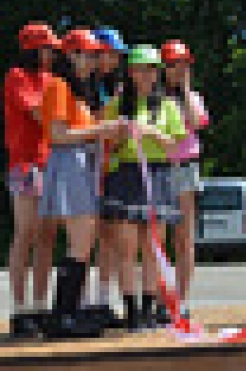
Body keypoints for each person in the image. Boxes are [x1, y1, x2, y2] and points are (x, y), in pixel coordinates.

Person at [37, 28, 126, 338]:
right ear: (70, 55)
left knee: (83, 242)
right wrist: (102, 129)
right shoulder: (59, 86)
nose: (92, 61)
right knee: (79, 241)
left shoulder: (77, 89)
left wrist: (107, 130)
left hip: (81, 163)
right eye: (86, 55)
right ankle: (63, 316)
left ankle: (68, 312)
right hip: (69, 162)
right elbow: (58, 135)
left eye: (93, 55)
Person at [101, 45, 186, 332]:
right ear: (131, 72)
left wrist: (152, 133)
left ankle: (149, 311)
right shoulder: (116, 104)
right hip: (126, 174)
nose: (146, 75)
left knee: (153, 249)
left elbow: (178, 147)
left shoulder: (168, 105)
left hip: (159, 174)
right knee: (126, 250)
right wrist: (120, 136)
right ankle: (131, 313)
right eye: (140, 69)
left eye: (151, 69)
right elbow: (106, 144)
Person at [4, 23, 60, 338]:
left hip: (50, 164)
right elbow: (42, 115)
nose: (50, 54)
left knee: (47, 237)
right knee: (25, 233)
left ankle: (40, 306)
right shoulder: (17, 77)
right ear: (30, 49)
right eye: (46, 49)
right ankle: (20, 309)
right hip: (26, 164)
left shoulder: (50, 79)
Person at [82, 27, 128, 329]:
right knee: (85, 234)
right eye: (109, 54)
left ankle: (101, 299)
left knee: (109, 235)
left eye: (116, 55)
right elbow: (89, 122)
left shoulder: (112, 86)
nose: (113, 60)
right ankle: (82, 300)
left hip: (109, 162)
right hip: (85, 161)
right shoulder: (82, 84)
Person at [161, 40, 209, 320]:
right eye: (172, 64)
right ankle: (159, 298)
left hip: (186, 168)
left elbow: (196, 121)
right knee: (159, 237)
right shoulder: (153, 98)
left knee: (184, 238)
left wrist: (186, 89)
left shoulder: (192, 97)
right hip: (160, 168)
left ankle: (181, 298)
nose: (178, 70)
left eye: (183, 65)